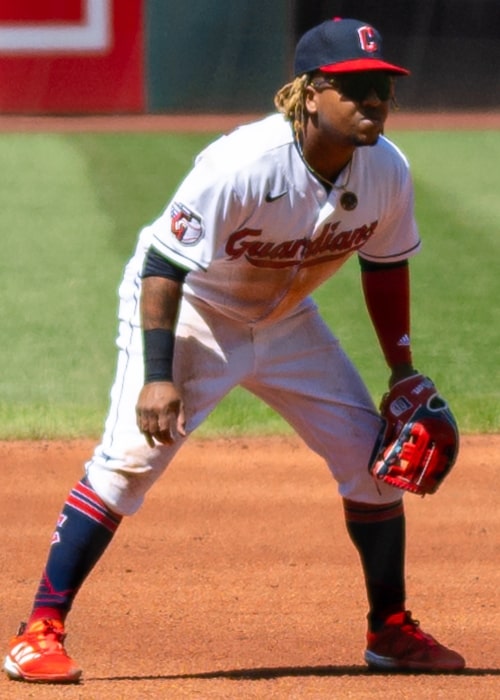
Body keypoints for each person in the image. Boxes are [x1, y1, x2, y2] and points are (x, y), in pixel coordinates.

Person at [3, 17, 465, 684]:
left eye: (381, 90)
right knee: (131, 461)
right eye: (354, 88)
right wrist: (158, 376)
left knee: (370, 462)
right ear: (310, 94)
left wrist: (402, 370)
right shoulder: (243, 164)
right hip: (194, 311)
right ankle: (38, 631)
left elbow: (385, 266)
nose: (372, 102)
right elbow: (163, 263)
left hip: (284, 319)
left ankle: (389, 630)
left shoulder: (388, 171)